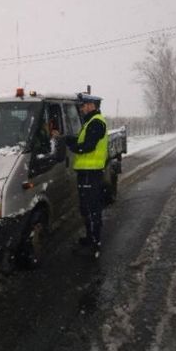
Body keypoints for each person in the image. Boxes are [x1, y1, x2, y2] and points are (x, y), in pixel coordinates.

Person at [65, 93, 108, 258]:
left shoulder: (96, 122)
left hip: (91, 172)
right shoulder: (91, 122)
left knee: (92, 208)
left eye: (83, 106)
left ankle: (95, 241)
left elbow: (87, 146)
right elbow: (82, 140)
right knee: (86, 207)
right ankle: (91, 237)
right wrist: (68, 139)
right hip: (86, 172)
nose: (82, 108)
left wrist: (72, 146)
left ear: (92, 105)